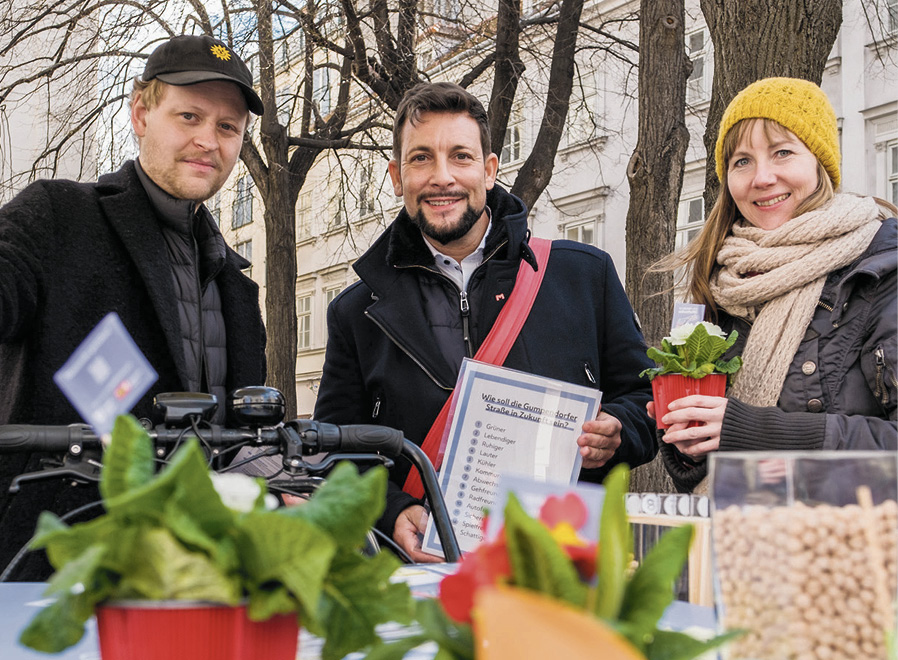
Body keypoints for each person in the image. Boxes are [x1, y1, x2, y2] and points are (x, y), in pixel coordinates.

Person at [314, 82, 657, 561]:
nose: (442, 177)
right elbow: (333, 455)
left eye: (460, 156)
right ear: (396, 176)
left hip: (562, 565)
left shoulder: (584, 276)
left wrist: (618, 429)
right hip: (423, 576)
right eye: (420, 159)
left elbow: (647, 401)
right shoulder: (355, 312)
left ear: (489, 170)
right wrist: (392, 510)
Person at [0, 35, 267, 579]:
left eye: (227, 127)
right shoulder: (59, 216)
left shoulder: (238, 288)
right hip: (56, 571)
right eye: (189, 116)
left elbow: (243, 444)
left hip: (192, 576)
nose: (207, 141)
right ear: (141, 114)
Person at [651, 77, 897, 492]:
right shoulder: (724, 283)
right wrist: (689, 443)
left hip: (852, 549)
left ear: (819, 162)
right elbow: (713, 461)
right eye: (742, 161)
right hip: (737, 542)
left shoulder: (880, 270)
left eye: (782, 152)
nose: (762, 177)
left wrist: (758, 432)